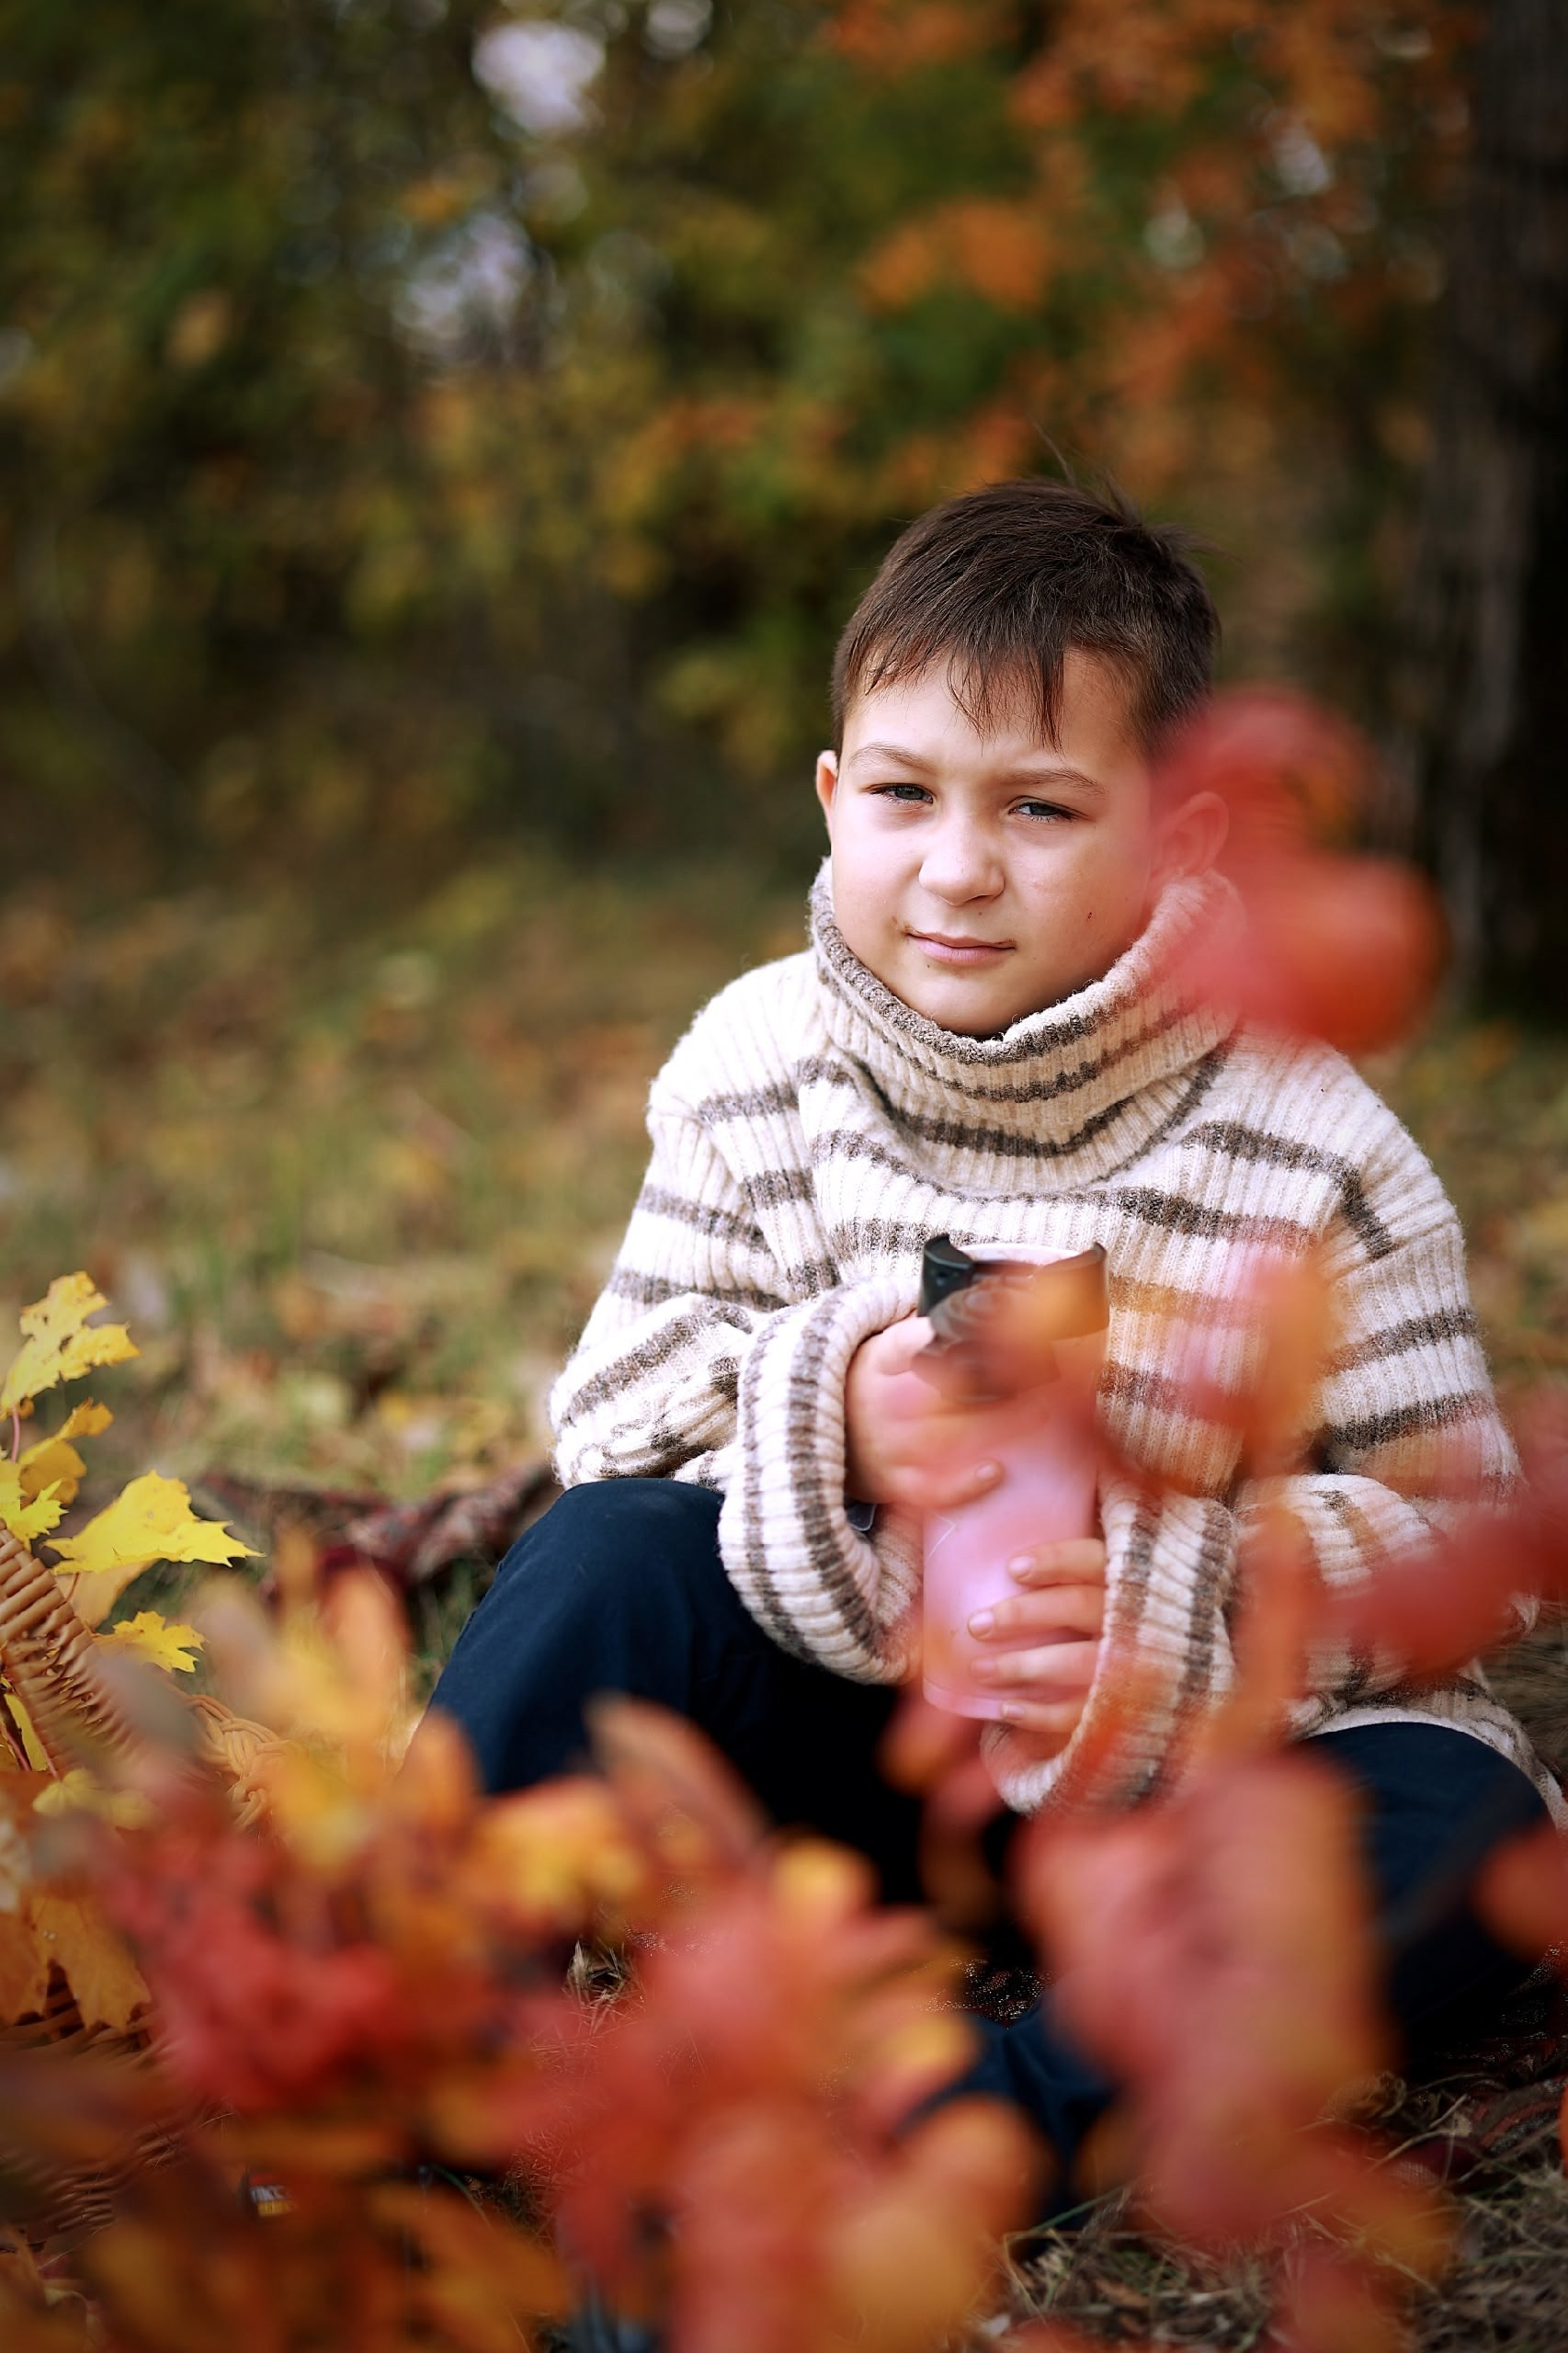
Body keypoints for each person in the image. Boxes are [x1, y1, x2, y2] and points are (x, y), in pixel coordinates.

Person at [430, 478, 1558, 2207]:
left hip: (1173, 1808)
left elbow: (1462, 1543)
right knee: (595, 1561)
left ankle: (992, 2122)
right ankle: (427, 2041)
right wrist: (826, 1417)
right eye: (900, 795)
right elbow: (620, 1428)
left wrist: (1177, 1594)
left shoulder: (1308, 1140)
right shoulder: (760, 1063)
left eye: (1038, 806)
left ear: (1180, 835)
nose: (955, 868)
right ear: (830, 798)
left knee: (1457, 1822)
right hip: (849, 1766)